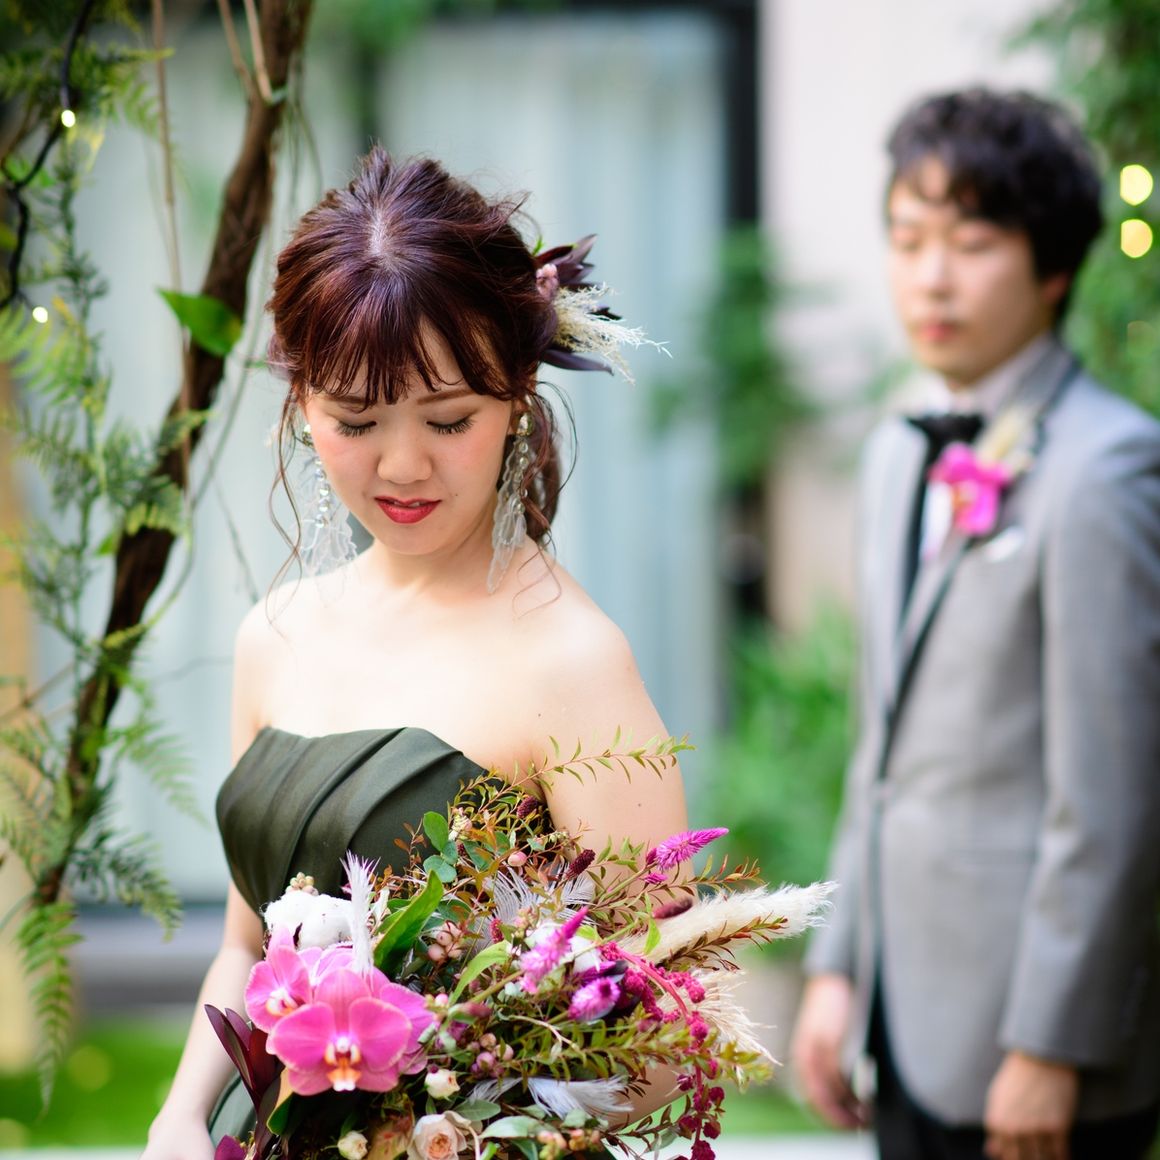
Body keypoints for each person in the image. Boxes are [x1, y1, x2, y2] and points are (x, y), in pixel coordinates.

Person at [141, 148, 687, 1160]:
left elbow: (665, 1027)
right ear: (301, 405)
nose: (403, 464)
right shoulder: (274, 632)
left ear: (518, 393)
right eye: (356, 420)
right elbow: (248, 946)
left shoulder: (574, 662)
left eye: (448, 419)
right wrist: (177, 1117)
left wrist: (451, 1098)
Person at [791, 87, 1160, 1160]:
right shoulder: (893, 450)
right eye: (908, 240)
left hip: (1030, 1052)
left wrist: (1052, 1043)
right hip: (902, 1019)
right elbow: (882, 747)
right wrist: (836, 965)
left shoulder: (1105, 470)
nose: (931, 276)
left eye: (971, 241)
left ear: (1051, 268)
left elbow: (1115, 797)